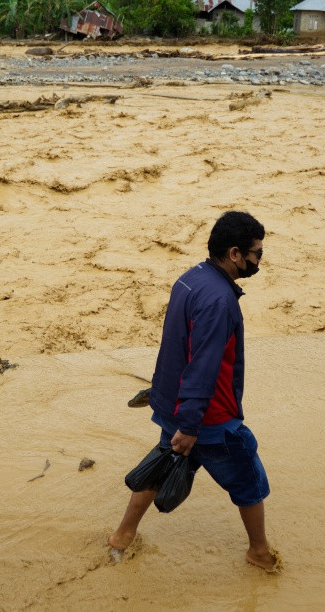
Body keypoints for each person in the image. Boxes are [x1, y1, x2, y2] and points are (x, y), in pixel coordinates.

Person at [109, 211, 278, 571]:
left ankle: (122, 536)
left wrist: (175, 413)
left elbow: (174, 348)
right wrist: (190, 425)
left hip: (178, 406)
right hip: (209, 418)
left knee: (161, 465)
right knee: (249, 480)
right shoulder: (220, 301)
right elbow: (204, 364)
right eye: (257, 254)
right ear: (235, 254)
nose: (259, 261)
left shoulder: (190, 279)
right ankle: (260, 554)